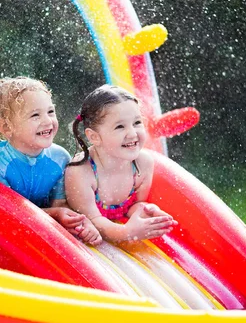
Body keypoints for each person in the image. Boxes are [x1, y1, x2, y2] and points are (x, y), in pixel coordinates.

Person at [0, 76, 101, 245]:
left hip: (44, 232)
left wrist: (80, 224)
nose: (47, 121)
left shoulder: (60, 159)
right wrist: (55, 214)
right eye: (35, 115)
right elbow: (8, 215)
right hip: (5, 236)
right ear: (7, 127)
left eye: (50, 111)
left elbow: (60, 205)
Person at [65, 84, 177, 243]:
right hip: (82, 243)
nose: (132, 133)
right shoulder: (81, 171)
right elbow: (93, 220)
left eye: (137, 123)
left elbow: (134, 206)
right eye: (120, 126)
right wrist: (126, 233)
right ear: (94, 137)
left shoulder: (143, 164)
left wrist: (148, 212)